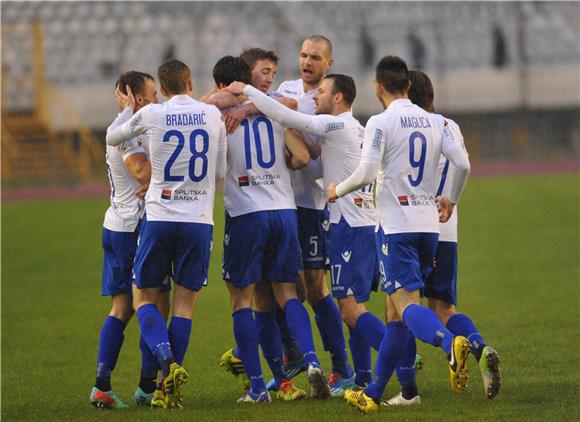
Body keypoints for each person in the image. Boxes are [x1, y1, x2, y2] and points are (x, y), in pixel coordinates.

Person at [224, 73, 389, 397]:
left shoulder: (335, 125)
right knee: (354, 304)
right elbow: (314, 168)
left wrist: (246, 93)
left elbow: (286, 115)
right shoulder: (358, 129)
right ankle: (359, 377)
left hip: (348, 227)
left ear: (338, 97)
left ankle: (397, 354)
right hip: (366, 224)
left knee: (349, 308)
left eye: (323, 92)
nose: (316, 96)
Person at [326, 55, 472, 413]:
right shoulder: (435, 121)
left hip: (396, 227)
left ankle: (450, 342)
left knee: (406, 307)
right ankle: (378, 393)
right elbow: (463, 163)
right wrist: (450, 199)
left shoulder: (380, 121)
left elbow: (365, 173)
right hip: (428, 227)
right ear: (408, 84)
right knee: (394, 313)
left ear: (378, 87)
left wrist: (336, 190)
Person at [106, 59, 227, 409]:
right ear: (189, 81)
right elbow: (218, 169)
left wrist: (125, 110)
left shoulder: (153, 114)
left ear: (162, 86)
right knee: (185, 305)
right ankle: (166, 390)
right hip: (199, 220)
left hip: (160, 216)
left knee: (143, 297)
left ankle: (166, 362)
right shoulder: (211, 116)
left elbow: (114, 137)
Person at [213, 49, 330, 403]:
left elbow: (216, 167)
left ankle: (258, 386)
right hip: (283, 211)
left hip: (247, 212)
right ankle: (306, 366)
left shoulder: (218, 116)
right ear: (247, 77)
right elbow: (301, 153)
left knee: (242, 299)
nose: (270, 78)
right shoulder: (275, 108)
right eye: (264, 72)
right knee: (284, 294)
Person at [383, 70, 501, 406]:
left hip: (413, 223)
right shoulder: (450, 125)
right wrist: (451, 198)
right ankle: (479, 346)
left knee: (399, 309)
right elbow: (463, 164)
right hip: (447, 228)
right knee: (445, 308)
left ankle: (409, 391)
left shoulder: (406, 125)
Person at [90, 71, 168, 409]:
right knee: (151, 303)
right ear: (134, 96)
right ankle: (147, 385)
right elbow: (143, 174)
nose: (156, 101)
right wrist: (158, 176)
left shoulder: (134, 124)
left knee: (128, 307)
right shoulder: (124, 129)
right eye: (150, 95)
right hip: (132, 229)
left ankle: (105, 386)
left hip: (120, 224)